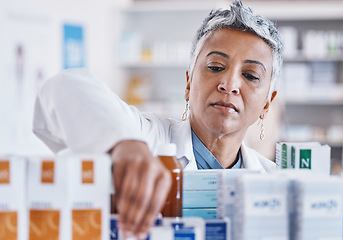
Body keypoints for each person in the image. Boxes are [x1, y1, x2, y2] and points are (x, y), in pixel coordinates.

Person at [33, 0, 283, 239]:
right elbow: (64, 87)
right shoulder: (146, 138)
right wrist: (124, 145)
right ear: (188, 82)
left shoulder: (276, 183)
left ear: (267, 103)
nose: (229, 85)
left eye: (250, 75)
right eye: (216, 67)